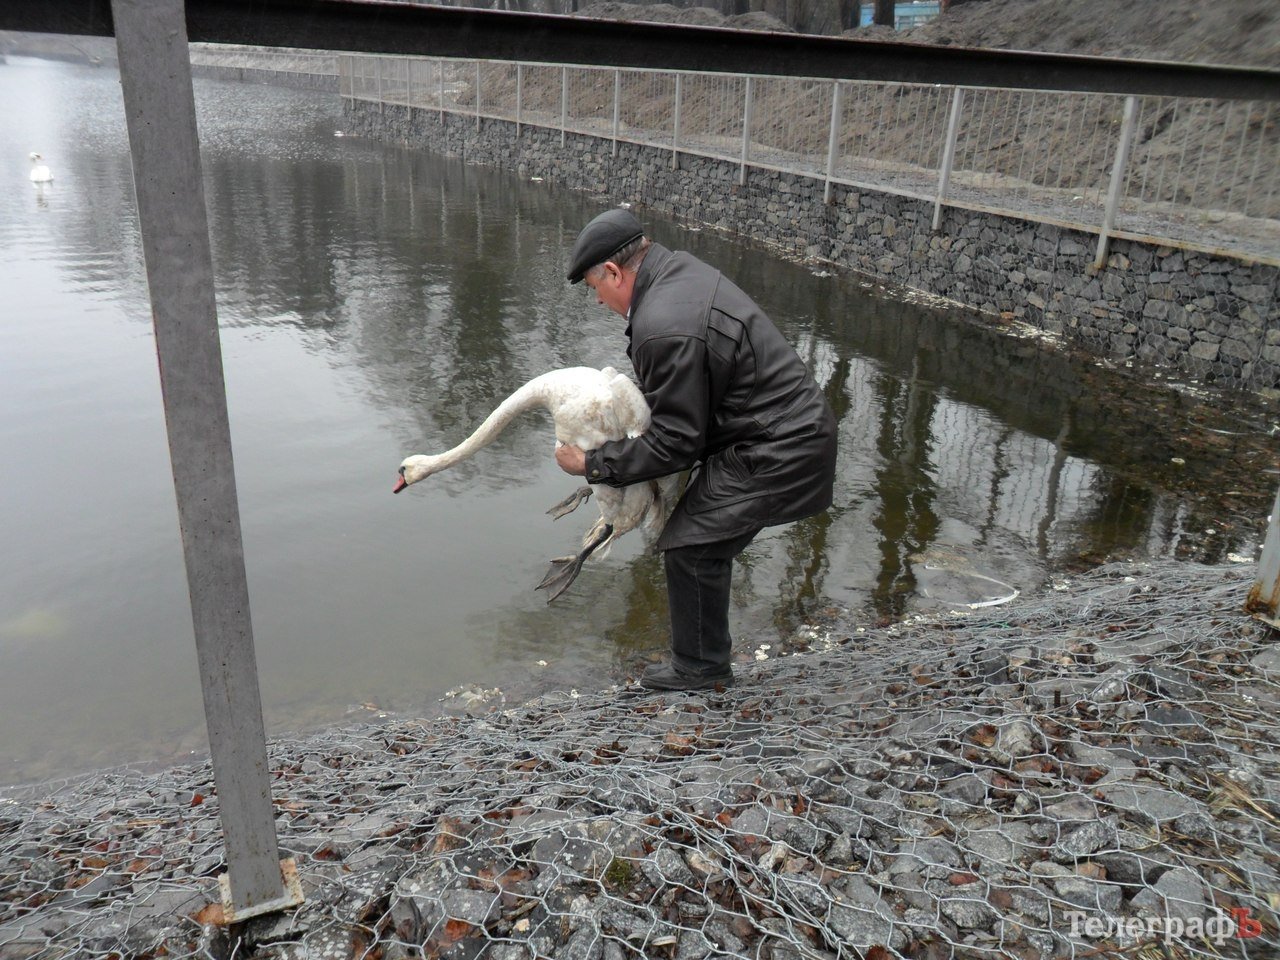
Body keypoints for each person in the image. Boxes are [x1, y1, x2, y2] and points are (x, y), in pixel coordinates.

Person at [556, 208, 838, 691]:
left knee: (691, 545)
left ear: (614, 272)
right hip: (779, 428)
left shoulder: (663, 325)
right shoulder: (678, 272)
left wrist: (593, 464)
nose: (598, 301)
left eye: (593, 288)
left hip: (781, 445)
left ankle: (701, 671)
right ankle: (704, 662)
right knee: (699, 536)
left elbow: (677, 443)